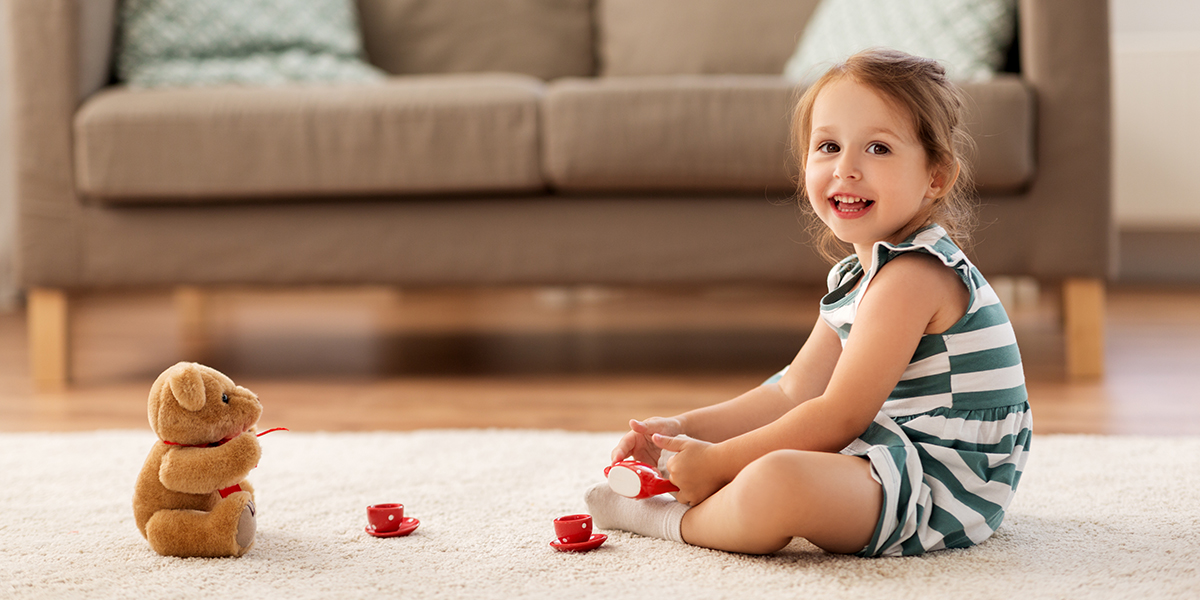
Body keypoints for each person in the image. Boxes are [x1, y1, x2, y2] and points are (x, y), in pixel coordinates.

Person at [585, 48, 1032, 558]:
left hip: (945, 486)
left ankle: (665, 519)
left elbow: (838, 416)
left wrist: (722, 461)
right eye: (828, 146)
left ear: (936, 177)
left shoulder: (913, 275)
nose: (847, 169)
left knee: (777, 479)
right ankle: (710, 496)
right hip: (891, 457)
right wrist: (679, 430)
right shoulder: (859, 276)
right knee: (771, 457)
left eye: (879, 149)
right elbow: (794, 392)